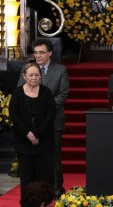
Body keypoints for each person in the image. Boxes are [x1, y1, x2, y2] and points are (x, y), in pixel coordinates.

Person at [18, 38, 69, 199]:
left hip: (53, 122)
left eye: (41, 52)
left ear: (50, 53)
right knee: (34, 158)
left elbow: (62, 95)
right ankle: (36, 190)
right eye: (36, 53)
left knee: (54, 158)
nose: (38, 56)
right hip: (31, 123)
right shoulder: (26, 70)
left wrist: (42, 105)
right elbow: (19, 91)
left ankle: (56, 188)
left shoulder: (60, 70)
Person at [9, 63, 56, 205]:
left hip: (44, 143)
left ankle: (45, 203)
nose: (34, 78)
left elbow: (50, 115)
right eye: (31, 75)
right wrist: (29, 134)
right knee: (26, 178)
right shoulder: (17, 93)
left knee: (45, 177)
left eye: (37, 75)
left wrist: (36, 134)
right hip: (24, 144)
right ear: (24, 76)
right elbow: (14, 117)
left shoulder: (46, 92)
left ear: (41, 76)